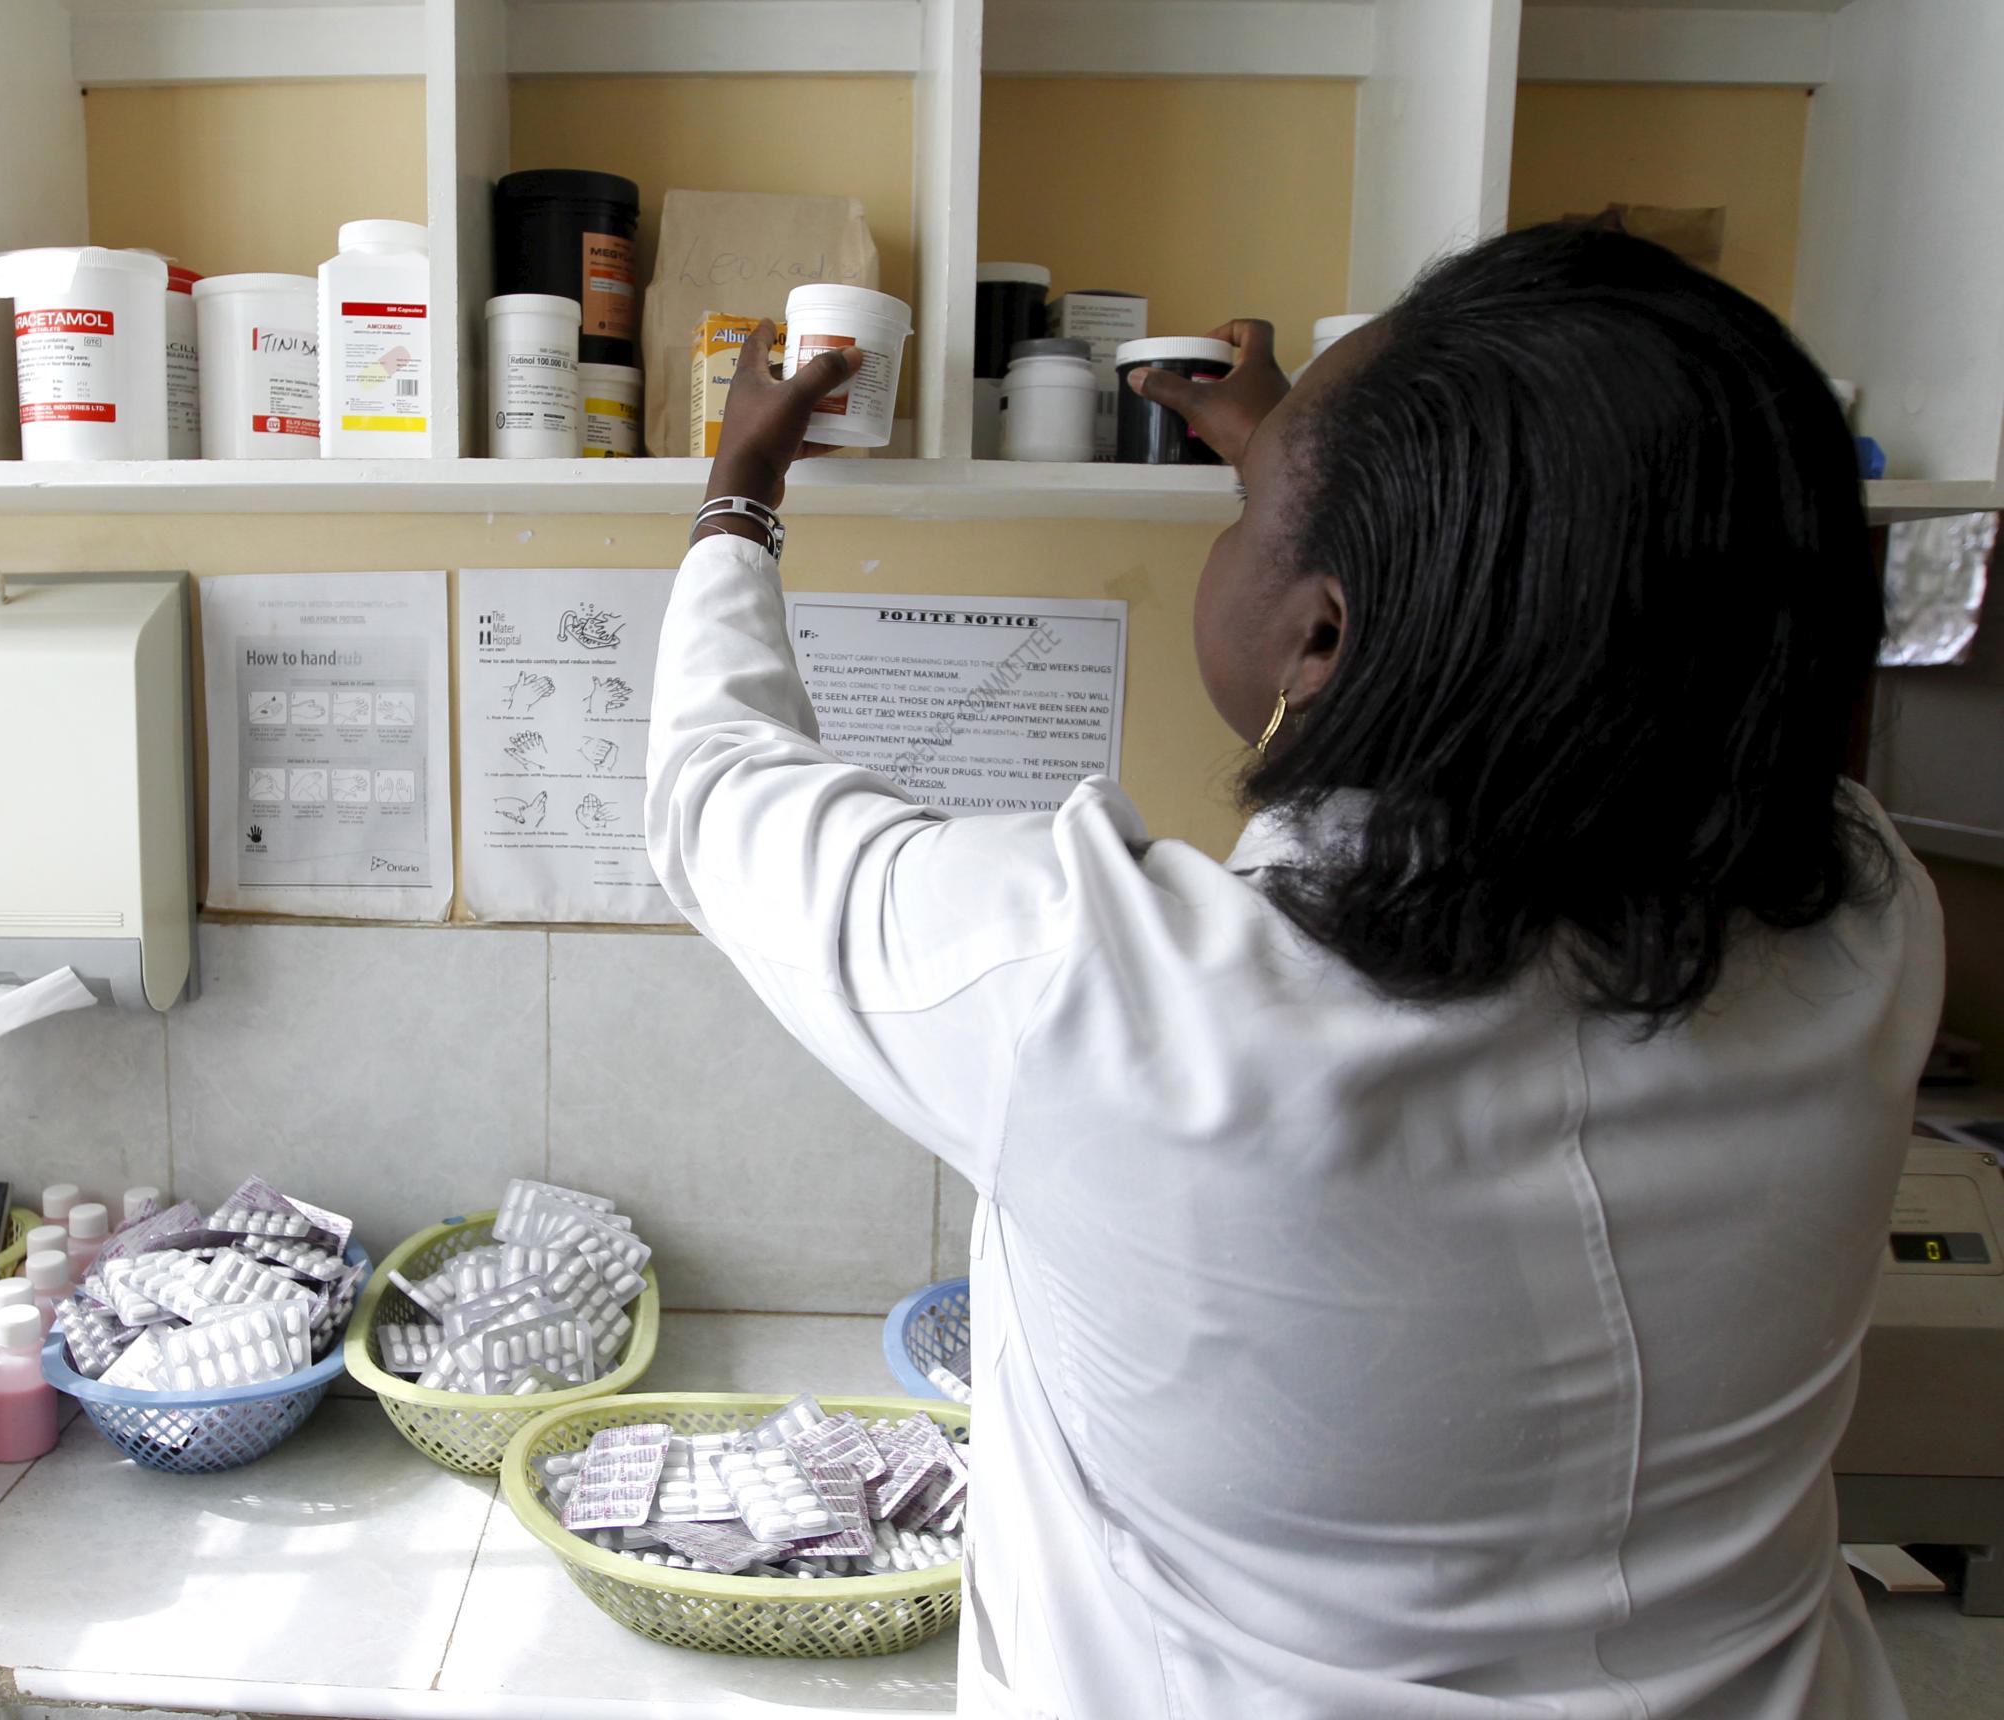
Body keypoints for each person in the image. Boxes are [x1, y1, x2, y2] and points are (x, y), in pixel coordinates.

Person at [644, 223, 1945, 1718]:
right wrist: (1342, 481)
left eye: (1253, 515)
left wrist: (738, 496)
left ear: (1324, 632)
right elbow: (1635, 636)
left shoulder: (1109, 1000)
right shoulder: (1871, 923)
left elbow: (716, 785)